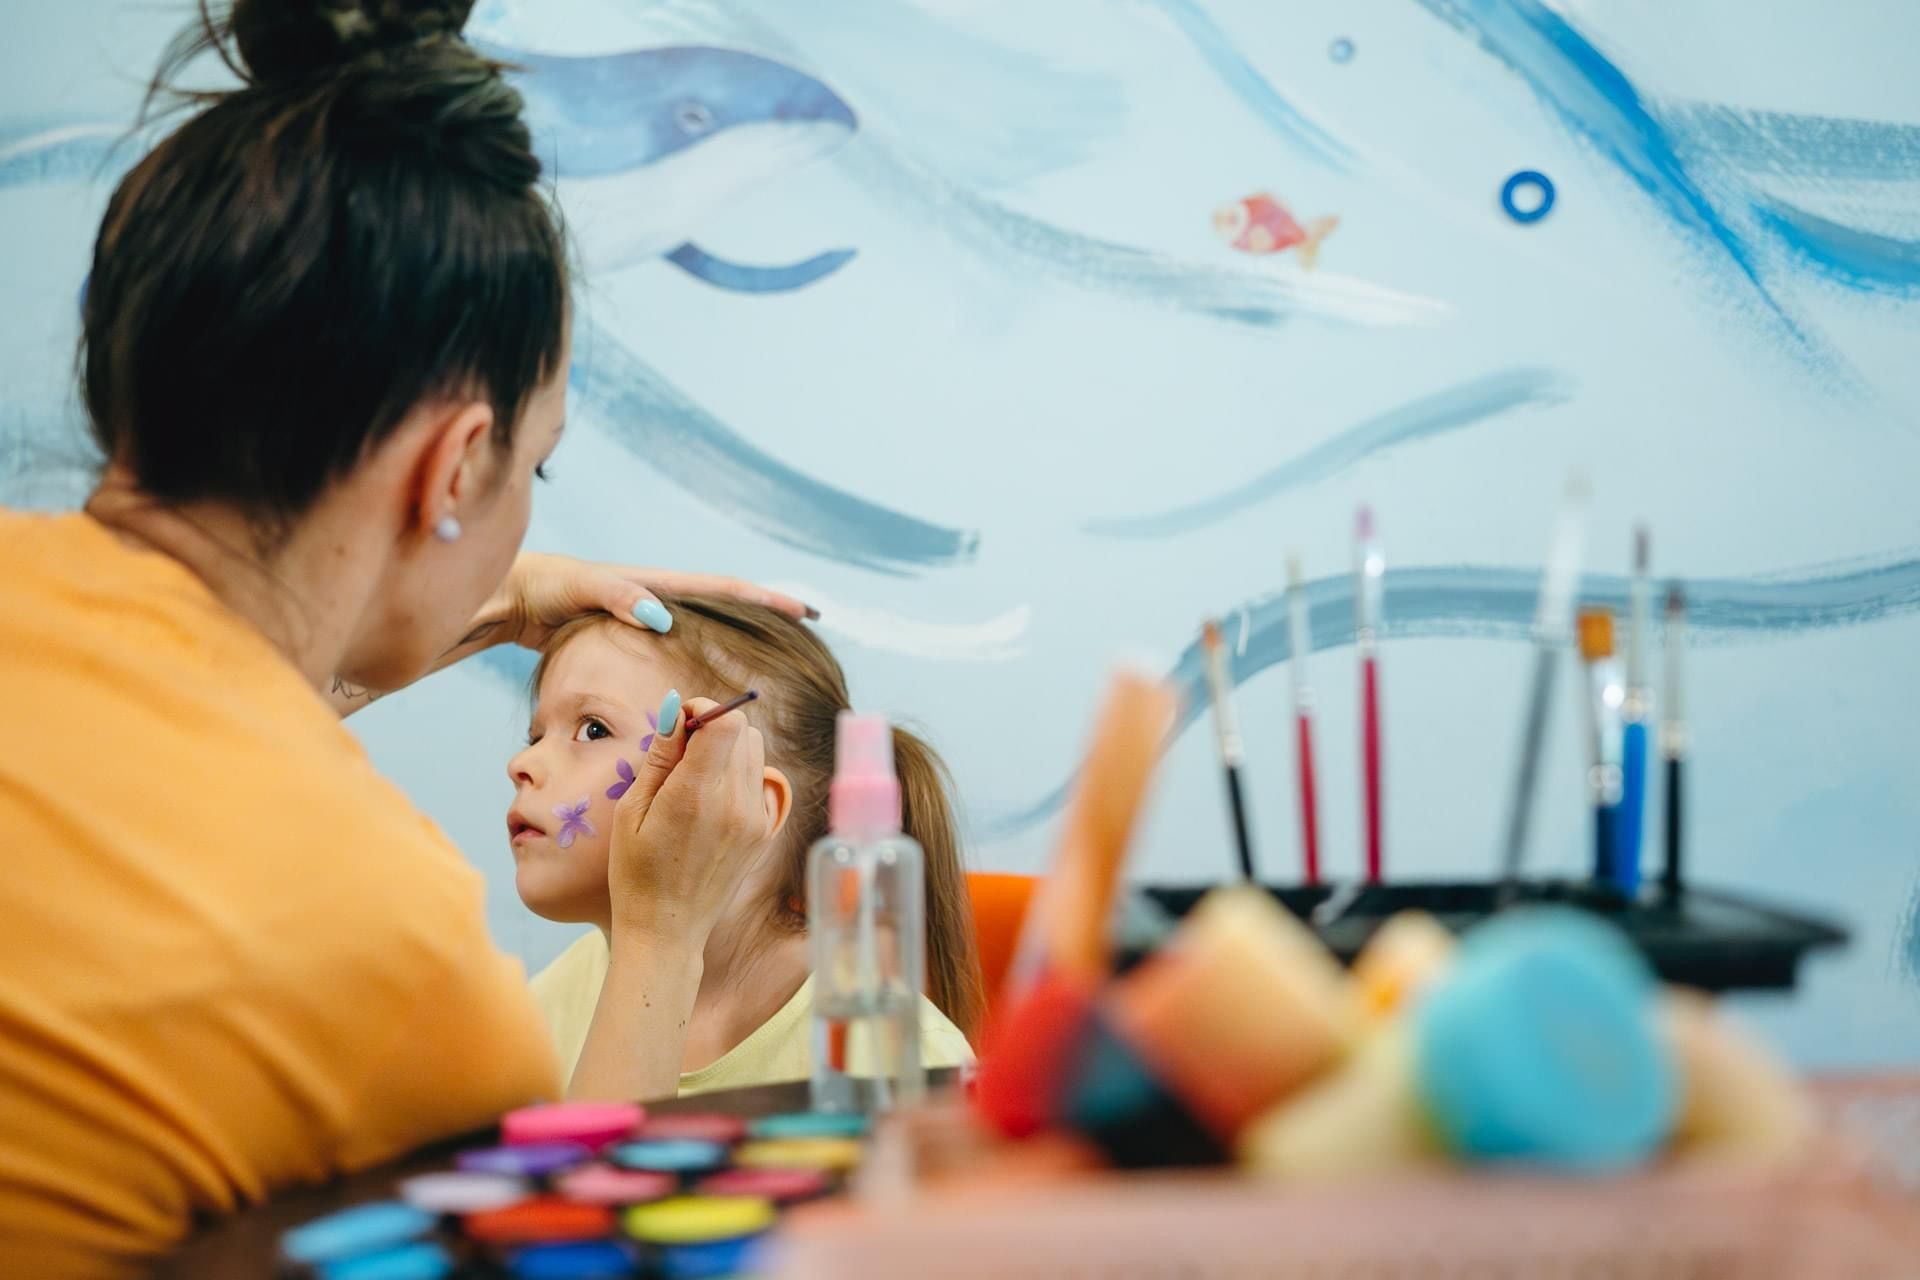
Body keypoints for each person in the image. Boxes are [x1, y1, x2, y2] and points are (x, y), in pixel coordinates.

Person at [0, 1, 801, 1273]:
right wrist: (659, 938)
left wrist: (457, 593)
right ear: (455, 466)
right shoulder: (391, 952)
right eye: (534, 465)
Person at [511, 598, 984, 1098]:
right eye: (536, 734)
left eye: (592, 729)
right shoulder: (557, 994)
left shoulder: (892, 1052)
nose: (522, 762)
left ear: (752, 806)